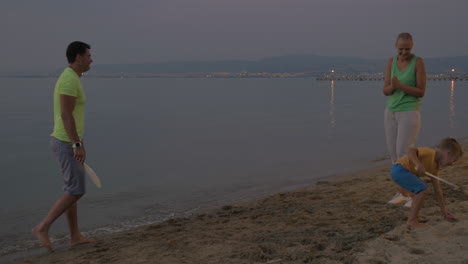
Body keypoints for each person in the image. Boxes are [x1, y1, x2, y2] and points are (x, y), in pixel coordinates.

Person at [32, 41, 95, 251]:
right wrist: (76, 144)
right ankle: (42, 227)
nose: (91, 60)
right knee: (76, 190)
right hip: (66, 141)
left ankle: (75, 236)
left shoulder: (73, 78)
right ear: (78, 57)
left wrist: (79, 141)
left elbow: (72, 117)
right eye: (88, 56)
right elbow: (66, 115)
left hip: (70, 140)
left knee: (71, 189)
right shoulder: (68, 79)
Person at [384, 32, 427, 206]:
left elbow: (421, 92)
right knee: (394, 157)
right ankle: (402, 193)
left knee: (405, 155)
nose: (403, 53)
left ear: (412, 46)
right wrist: (392, 87)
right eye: (401, 49)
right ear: (396, 46)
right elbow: (385, 90)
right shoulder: (391, 62)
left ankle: (414, 193)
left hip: (409, 112)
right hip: (390, 111)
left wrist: (400, 86)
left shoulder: (418, 62)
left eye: (407, 49)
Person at [390, 137, 463, 228]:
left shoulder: (435, 169)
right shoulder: (429, 152)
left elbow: (438, 190)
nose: (452, 164)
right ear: (448, 153)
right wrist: (418, 164)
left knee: (419, 193)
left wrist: (443, 209)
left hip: (404, 173)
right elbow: (410, 150)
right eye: (454, 160)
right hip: (400, 169)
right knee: (423, 191)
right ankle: (412, 220)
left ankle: (414, 216)